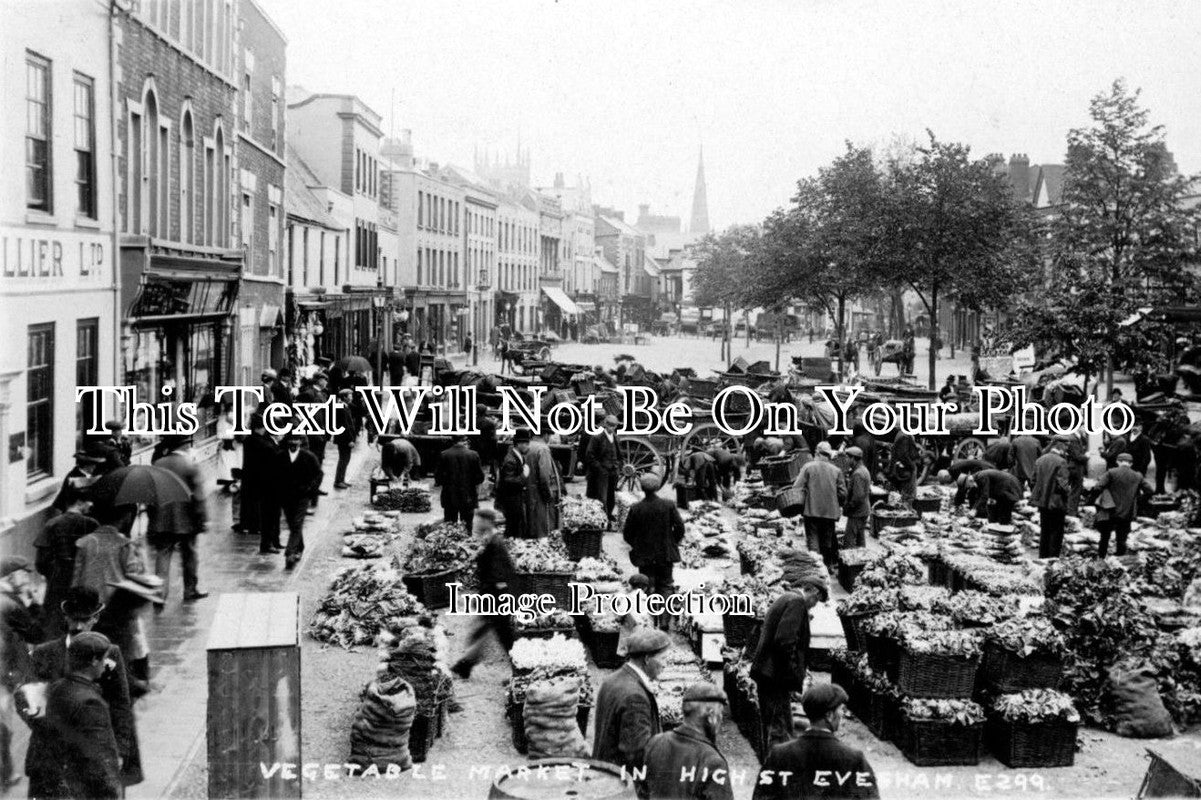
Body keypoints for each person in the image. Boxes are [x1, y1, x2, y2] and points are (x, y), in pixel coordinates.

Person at [25, 587, 142, 791]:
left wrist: (121, 750)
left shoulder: (110, 653)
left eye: (85, 619)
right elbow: (29, 703)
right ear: (65, 616)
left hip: (93, 757)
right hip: (51, 758)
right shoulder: (44, 654)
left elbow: (121, 706)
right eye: (73, 618)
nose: (78, 625)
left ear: (95, 618)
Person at [29, 632, 122, 799]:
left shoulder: (56, 688)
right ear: (94, 661)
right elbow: (98, 758)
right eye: (104, 658)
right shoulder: (90, 703)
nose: (106, 663)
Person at [752, 683, 879, 800]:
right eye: (840, 709)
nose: (842, 714)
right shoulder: (854, 760)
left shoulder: (778, 755)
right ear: (829, 715)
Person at [750, 574, 828, 750]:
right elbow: (784, 642)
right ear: (813, 592)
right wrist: (793, 676)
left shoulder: (786, 598)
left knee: (777, 725)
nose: (814, 606)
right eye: (816, 601)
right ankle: (779, 771)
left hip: (768, 674)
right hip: (775, 677)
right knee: (779, 729)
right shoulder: (797, 602)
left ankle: (774, 766)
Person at [592, 629, 669, 776]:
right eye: (663, 658)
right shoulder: (635, 697)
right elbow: (637, 754)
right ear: (647, 659)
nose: (665, 664)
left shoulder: (611, 680)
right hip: (624, 782)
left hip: (605, 771)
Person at [641, 683, 735, 800]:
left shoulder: (655, 742)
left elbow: (642, 792)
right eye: (720, 714)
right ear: (711, 717)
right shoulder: (712, 761)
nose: (720, 719)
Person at [450, 510, 515, 679]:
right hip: (493, 594)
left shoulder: (496, 542)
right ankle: (465, 665)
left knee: (504, 636)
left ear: (488, 521)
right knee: (486, 632)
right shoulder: (491, 540)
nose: (476, 524)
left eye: (479, 521)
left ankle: (521, 669)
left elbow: (501, 572)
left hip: (496, 596)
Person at [147, 434, 209, 602]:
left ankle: (159, 594)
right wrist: (202, 518)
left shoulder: (158, 464)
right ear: (184, 446)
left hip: (162, 519)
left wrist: (152, 519)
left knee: (163, 555)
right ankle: (190, 590)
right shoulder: (190, 465)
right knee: (189, 555)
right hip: (186, 520)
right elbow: (198, 496)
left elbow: (151, 496)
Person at [1, 557, 41, 792]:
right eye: (22, 573)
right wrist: (33, 602)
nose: (27, 577)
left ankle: (7, 773)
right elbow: (36, 632)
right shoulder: (9, 603)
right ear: (10, 576)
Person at [34, 497, 98, 638]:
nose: (91, 504)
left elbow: (41, 562)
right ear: (79, 502)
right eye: (88, 500)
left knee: (54, 619)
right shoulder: (91, 524)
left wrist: (53, 574)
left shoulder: (52, 524)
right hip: (85, 578)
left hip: (58, 580)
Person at [622, 474, 685, 612]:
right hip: (666, 553)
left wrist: (638, 545)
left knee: (647, 584)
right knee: (666, 585)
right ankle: (664, 621)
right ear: (657, 488)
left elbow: (627, 534)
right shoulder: (668, 505)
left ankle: (650, 617)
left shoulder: (636, 508)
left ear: (643, 488)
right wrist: (672, 541)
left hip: (644, 555)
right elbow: (680, 527)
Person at [792, 442, 847, 568]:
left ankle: (816, 567)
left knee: (813, 538)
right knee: (827, 540)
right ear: (828, 455)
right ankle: (828, 566)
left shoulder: (808, 467)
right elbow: (843, 493)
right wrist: (832, 500)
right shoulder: (836, 470)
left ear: (817, 452)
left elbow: (796, 487)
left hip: (812, 510)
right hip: (830, 512)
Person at [276, 433, 323, 570]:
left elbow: (318, 474)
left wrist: (311, 489)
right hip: (286, 496)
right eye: (291, 440)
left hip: (302, 496)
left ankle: (290, 553)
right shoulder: (280, 457)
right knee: (292, 524)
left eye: (296, 440)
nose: (293, 443)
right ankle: (299, 547)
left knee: (297, 523)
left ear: (300, 442)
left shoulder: (308, 457)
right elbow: (275, 474)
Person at [1095, 452, 1151, 558]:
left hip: (1109, 510)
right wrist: (1137, 499)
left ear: (1118, 462)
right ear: (1131, 463)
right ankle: (1120, 561)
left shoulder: (1111, 472)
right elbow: (1149, 491)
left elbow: (1098, 487)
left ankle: (1101, 559)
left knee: (1105, 537)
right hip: (1127, 512)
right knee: (1121, 539)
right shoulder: (1137, 475)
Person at [242, 414, 283, 553]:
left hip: (261, 483)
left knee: (273, 515)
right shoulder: (262, 444)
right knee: (269, 516)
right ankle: (268, 543)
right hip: (266, 484)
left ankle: (274, 541)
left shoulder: (252, 440)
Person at [1032, 441, 1071, 558]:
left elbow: (1033, 480)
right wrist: (1068, 493)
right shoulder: (1061, 461)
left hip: (1042, 502)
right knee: (1057, 532)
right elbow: (1063, 484)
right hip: (1056, 502)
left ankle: (1042, 557)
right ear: (1061, 447)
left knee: (1045, 530)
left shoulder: (1040, 460)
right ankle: (1053, 558)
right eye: (1066, 447)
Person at [434, 435, 485, 524]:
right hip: (468, 495)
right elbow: (480, 477)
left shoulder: (444, 454)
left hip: (449, 495)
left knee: (449, 526)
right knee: (467, 526)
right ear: (465, 441)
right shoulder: (473, 454)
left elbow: (438, 478)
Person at [496, 429, 532, 538]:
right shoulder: (511, 460)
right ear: (518, 444)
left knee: (515, 527)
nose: (527, 446)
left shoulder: (516, 456)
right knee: (512, 528)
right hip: (511, 500)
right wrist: (524, 476)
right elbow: (508, 481)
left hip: (515, 499)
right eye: (525, 443)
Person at [585, 415, 621, 522]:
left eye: (614, 426)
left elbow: (619, 455)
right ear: (605, 424)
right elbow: (590, 456)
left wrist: (618, 466)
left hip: (612, 472)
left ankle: (609, 515)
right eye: (610, 425)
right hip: (601, 473)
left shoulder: (615, 438)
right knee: (601, 497)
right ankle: (601, 519)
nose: (612, 428)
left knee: (611, 497)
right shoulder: (597, 438)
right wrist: (600, 468)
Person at [525, 430, 561, 538]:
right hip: (539, 494)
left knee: (530, 524)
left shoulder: (526, 446)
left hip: (527, 489)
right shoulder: (543, 449)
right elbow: (544, 476)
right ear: (545, 435)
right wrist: (548, 495)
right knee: (544, 528)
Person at [616, 574, 655, 658]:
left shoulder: (628, 598)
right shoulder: (645, 598)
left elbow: (621, 612)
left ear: (631, 586)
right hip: (644, 625)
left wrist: (618, 619)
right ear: (645, 588)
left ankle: (625, 657)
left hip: (631, 626)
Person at [843, 447, 871, 548]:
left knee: (849, 540)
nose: (846, 460)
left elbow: (858, 497)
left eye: (847, 457)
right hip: (863, 510)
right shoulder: (864, 470)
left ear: (853, 458)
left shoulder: (858, 474)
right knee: (860, 538)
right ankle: (862, 560)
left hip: (857, 512)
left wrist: (848, 507)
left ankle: (849, 561)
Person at [331, 388, 358, 490]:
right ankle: (338, 481)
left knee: (345, 460)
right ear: (344, 397)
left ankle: (341, 480)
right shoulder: (341, 408)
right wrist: (350, 440)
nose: (351, 398)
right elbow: (345, 426)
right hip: (344, 439)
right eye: (350, 396)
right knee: (343, 460)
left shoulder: (345, 406)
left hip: (344, 438)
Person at [889, 431, 920, 503]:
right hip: (906, 469)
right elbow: (903, 455)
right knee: (908, 496)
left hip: (903, 468)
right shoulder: (904, 436)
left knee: (905, 494)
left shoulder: (902, 434)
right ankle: (907, 510)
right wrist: (912, 466)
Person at [470, 405, 499, 483]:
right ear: (485, 411)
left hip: (474, 449)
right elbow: (493, 439)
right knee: (484, 471)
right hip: (486, 452)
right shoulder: (490, 423)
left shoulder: (471, 422)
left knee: (473, 471)